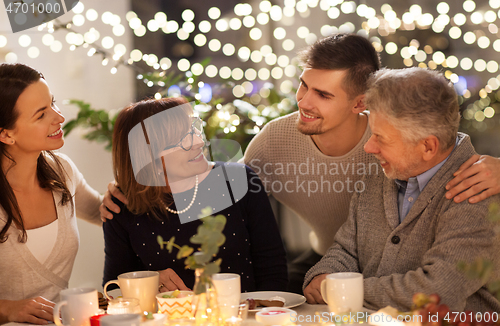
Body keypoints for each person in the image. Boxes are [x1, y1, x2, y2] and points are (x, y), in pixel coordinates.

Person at [101, 33, 500, 294]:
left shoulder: (410, 151)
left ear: (361, 104)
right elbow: (211, 183)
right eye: (303, 86)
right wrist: (126, 190)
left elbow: (444, 152)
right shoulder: (277, 141)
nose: (304, 102)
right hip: (332, 270)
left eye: (323, 95)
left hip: (360, 290)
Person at [303, 67, 500, 312]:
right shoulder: (381, 172)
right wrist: (325, 273)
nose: (369, 148)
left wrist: (342, 289)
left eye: (380, 138)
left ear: (428, 146)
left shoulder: (477, 192)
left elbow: (437, 291)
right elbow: (347, 248)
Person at [102, 97, 288, 292]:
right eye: (182, 140)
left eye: (194, 129)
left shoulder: (238, 180)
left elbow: (273, 273)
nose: (199, 142)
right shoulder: (120, 204)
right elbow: (113, 290)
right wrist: (148, 282)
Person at [0, 63, 102, 325]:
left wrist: (118, 193)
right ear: (6, 134)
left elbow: (105, 212)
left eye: (53, 104)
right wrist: (7, 309)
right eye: (41, 114)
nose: (59, 117)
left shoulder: (62, 170)